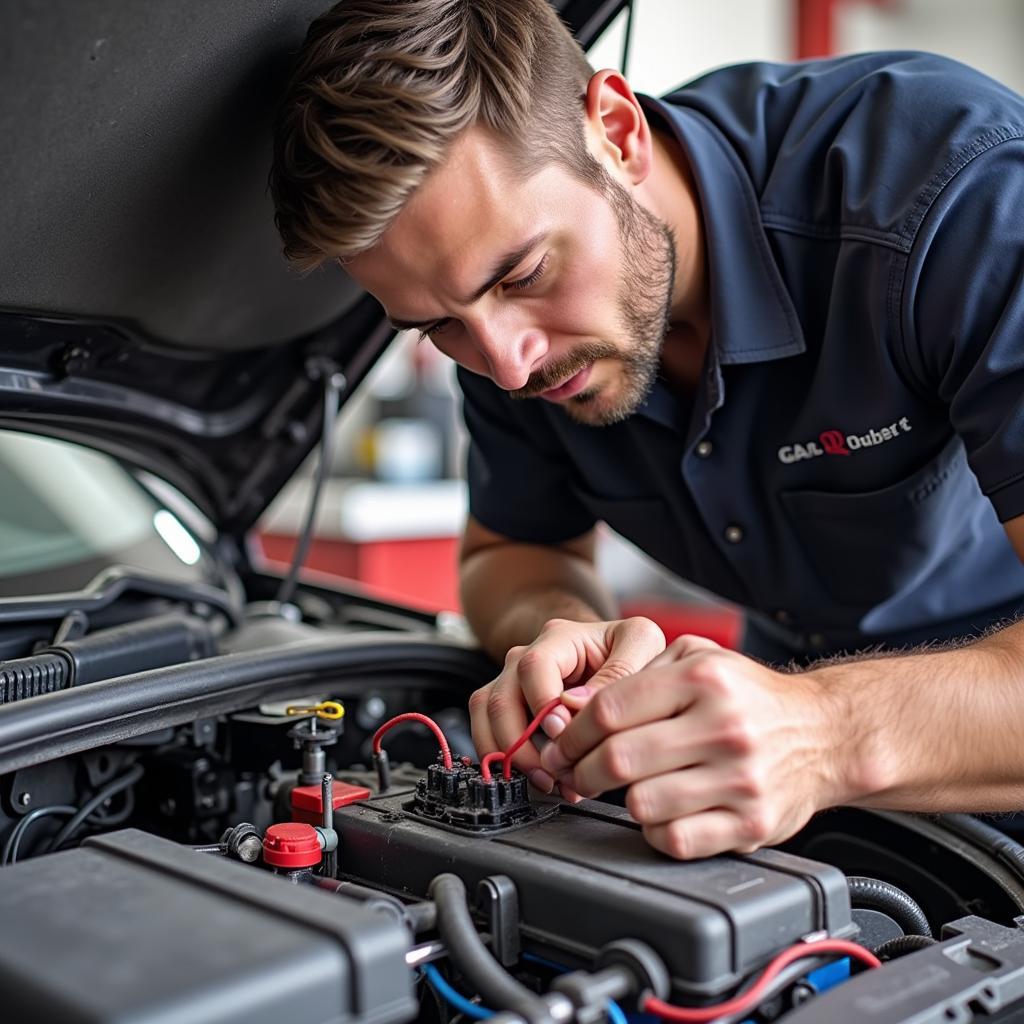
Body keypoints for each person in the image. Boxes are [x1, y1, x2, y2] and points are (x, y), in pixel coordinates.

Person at [270, 0, 1024, 859]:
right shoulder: (506, 342)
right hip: (801, 804)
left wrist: (827, 732)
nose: (508, 367)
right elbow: (508, 555)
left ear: (618, 133)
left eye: (524, 273)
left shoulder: (956, 196)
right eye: (437, 327)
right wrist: (558, 627)